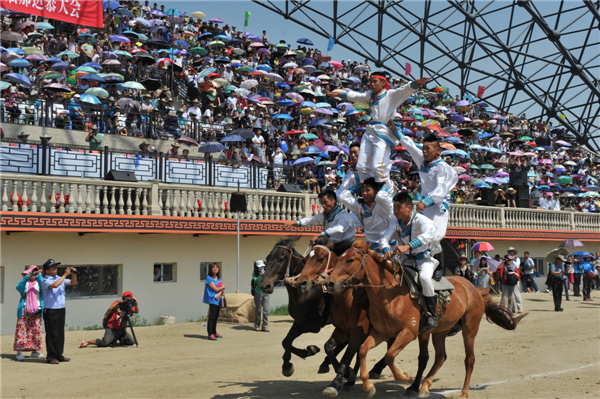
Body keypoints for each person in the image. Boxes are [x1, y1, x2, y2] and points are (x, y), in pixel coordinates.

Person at [328, 72, 429, 189]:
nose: (372, 84)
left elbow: (403, 90)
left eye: (375, 81)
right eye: (371, 82)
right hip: (370, 132)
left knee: (377, 166)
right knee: (360, 167)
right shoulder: (370, 96)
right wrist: (340, 95)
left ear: (383, 83)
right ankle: (369, 191)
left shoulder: (390, 95)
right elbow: (356, 96)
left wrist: (416, 84)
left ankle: (387, 189)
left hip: (382, 134)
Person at [391, 132, 458, 255]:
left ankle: (438, 264)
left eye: (428, 149)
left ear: (437, 150)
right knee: (418, 234)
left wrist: (427, 201)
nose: (424, 152)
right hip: (424, 206)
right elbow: (410, 146)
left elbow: (441, 189)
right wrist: (397, 131)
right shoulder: (422, 161)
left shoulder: (442, 167)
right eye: (423, 149)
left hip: (438, 207)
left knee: (435, 235)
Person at [385, 190, 439, 331]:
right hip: (405, 261)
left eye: (398, 207)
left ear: (409, 208)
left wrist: (407, 246)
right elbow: (383, 239)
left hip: (424, 260)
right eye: (394, 207)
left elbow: (428, 236)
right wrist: (386, 250)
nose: (395, 210)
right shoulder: (395, 222)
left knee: (425, 278)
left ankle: (430, 314)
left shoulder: (422, 221)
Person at [339, 177, 395, 254]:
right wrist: (359, 185)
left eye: (368, 190)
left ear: (376, 192)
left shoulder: (383, 206)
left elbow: (381, 196)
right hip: (370, 250)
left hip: (387, 250)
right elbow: (343, 197)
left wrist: (385, 184)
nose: (364, 193)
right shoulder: (359, 206)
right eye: (363, 190)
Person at [284, 189, 357, 244]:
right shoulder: (324, 215)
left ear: (333, 201)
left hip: (344, 246)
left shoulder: (343, 214)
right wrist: (294, 223)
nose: (323, 205)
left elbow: (339, 228)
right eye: (322, 203)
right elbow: (311, 220)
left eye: (325, 202)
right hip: (330, 245)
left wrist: (319, 235)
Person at [41, 259, 77, 364]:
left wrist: (73, 275)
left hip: (61, 309)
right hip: (51, 310)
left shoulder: (59, 278)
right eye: (52, 267)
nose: (55, 268)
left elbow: (72, 282)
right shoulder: (45, 280)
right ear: (47, 271)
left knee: (60, 333)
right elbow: (55, 285)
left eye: (55, 267)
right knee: (52, 333)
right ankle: (51, 357)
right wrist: (65, 275)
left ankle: (59, 355)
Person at [14, 265, 45, 361]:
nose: (33, 274)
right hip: (24, 310)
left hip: (37, 311)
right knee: (21, 331)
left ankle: (34, 351)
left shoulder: (39, 283)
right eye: (31, 272)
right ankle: (19, 352)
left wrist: (39, 276)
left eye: (35, 272)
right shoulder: (25, 284)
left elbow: (44, 286)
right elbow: (18, 287)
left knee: (36, 331)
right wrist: (27, 277)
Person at [203, 263, 225, 341]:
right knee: (212, 316)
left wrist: (220, 290)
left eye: (216, 267)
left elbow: (221, 288)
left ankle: (214, 332)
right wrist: (222, 288)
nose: (215, 269)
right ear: (210, 269)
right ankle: (210, 334)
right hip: (212, 299)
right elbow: (216, 289)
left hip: (218, 300)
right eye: (213, 267)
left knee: (216, 316)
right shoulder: (209, 278)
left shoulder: (219, 279)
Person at [251, 260, 270, 332]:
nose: (261, 268)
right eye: (260, 267)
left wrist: (265, 275)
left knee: (266, 310)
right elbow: (256, 281)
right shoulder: (254, 273)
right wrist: (260, 276)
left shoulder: (267, 273)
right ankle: (257, 325)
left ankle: (264, 326)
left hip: (266, 293)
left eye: (262, 267)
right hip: (258, 292)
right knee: (258, 310)